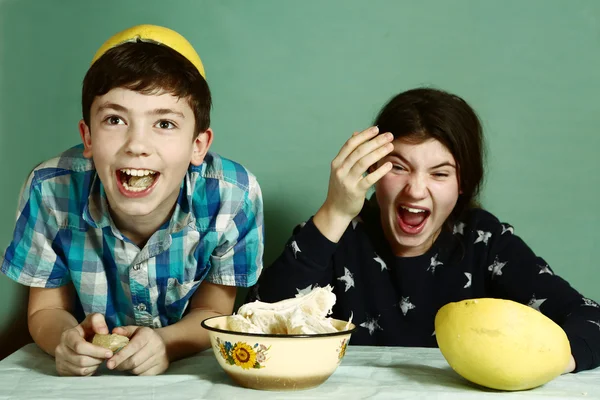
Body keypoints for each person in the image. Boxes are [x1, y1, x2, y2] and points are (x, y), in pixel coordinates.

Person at [249, 87, 600, 372]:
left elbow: (590, 318)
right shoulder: (334, 233)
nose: (416, 190)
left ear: (464, 183)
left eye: (440, 173)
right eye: (398, 167)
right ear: (371, 171)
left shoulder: (487, 242)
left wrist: (546, 364)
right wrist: (334, 211)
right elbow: (253, 325)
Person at [0, 24, 264, 376]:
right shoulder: (49, 190)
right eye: (115, 119)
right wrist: (66, 339)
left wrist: (165, 343)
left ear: (198, 145)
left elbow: (213, 311)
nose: (137, 145)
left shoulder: (234, 196)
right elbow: (44, 309)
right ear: (88, 137)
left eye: (165, 124)